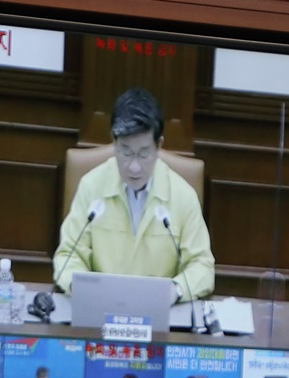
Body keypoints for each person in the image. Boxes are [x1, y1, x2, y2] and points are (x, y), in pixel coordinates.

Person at [53, 87, 214, 299]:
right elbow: (68, 256)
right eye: (126, 152)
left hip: (160, 314)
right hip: (101, 308)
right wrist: (85, 289)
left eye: (144, 153)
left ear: (159, 145)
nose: (134, 167)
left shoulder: (183, 195)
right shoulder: (91, 186)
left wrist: (175, 290)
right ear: (114, 141)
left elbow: (202, 266)